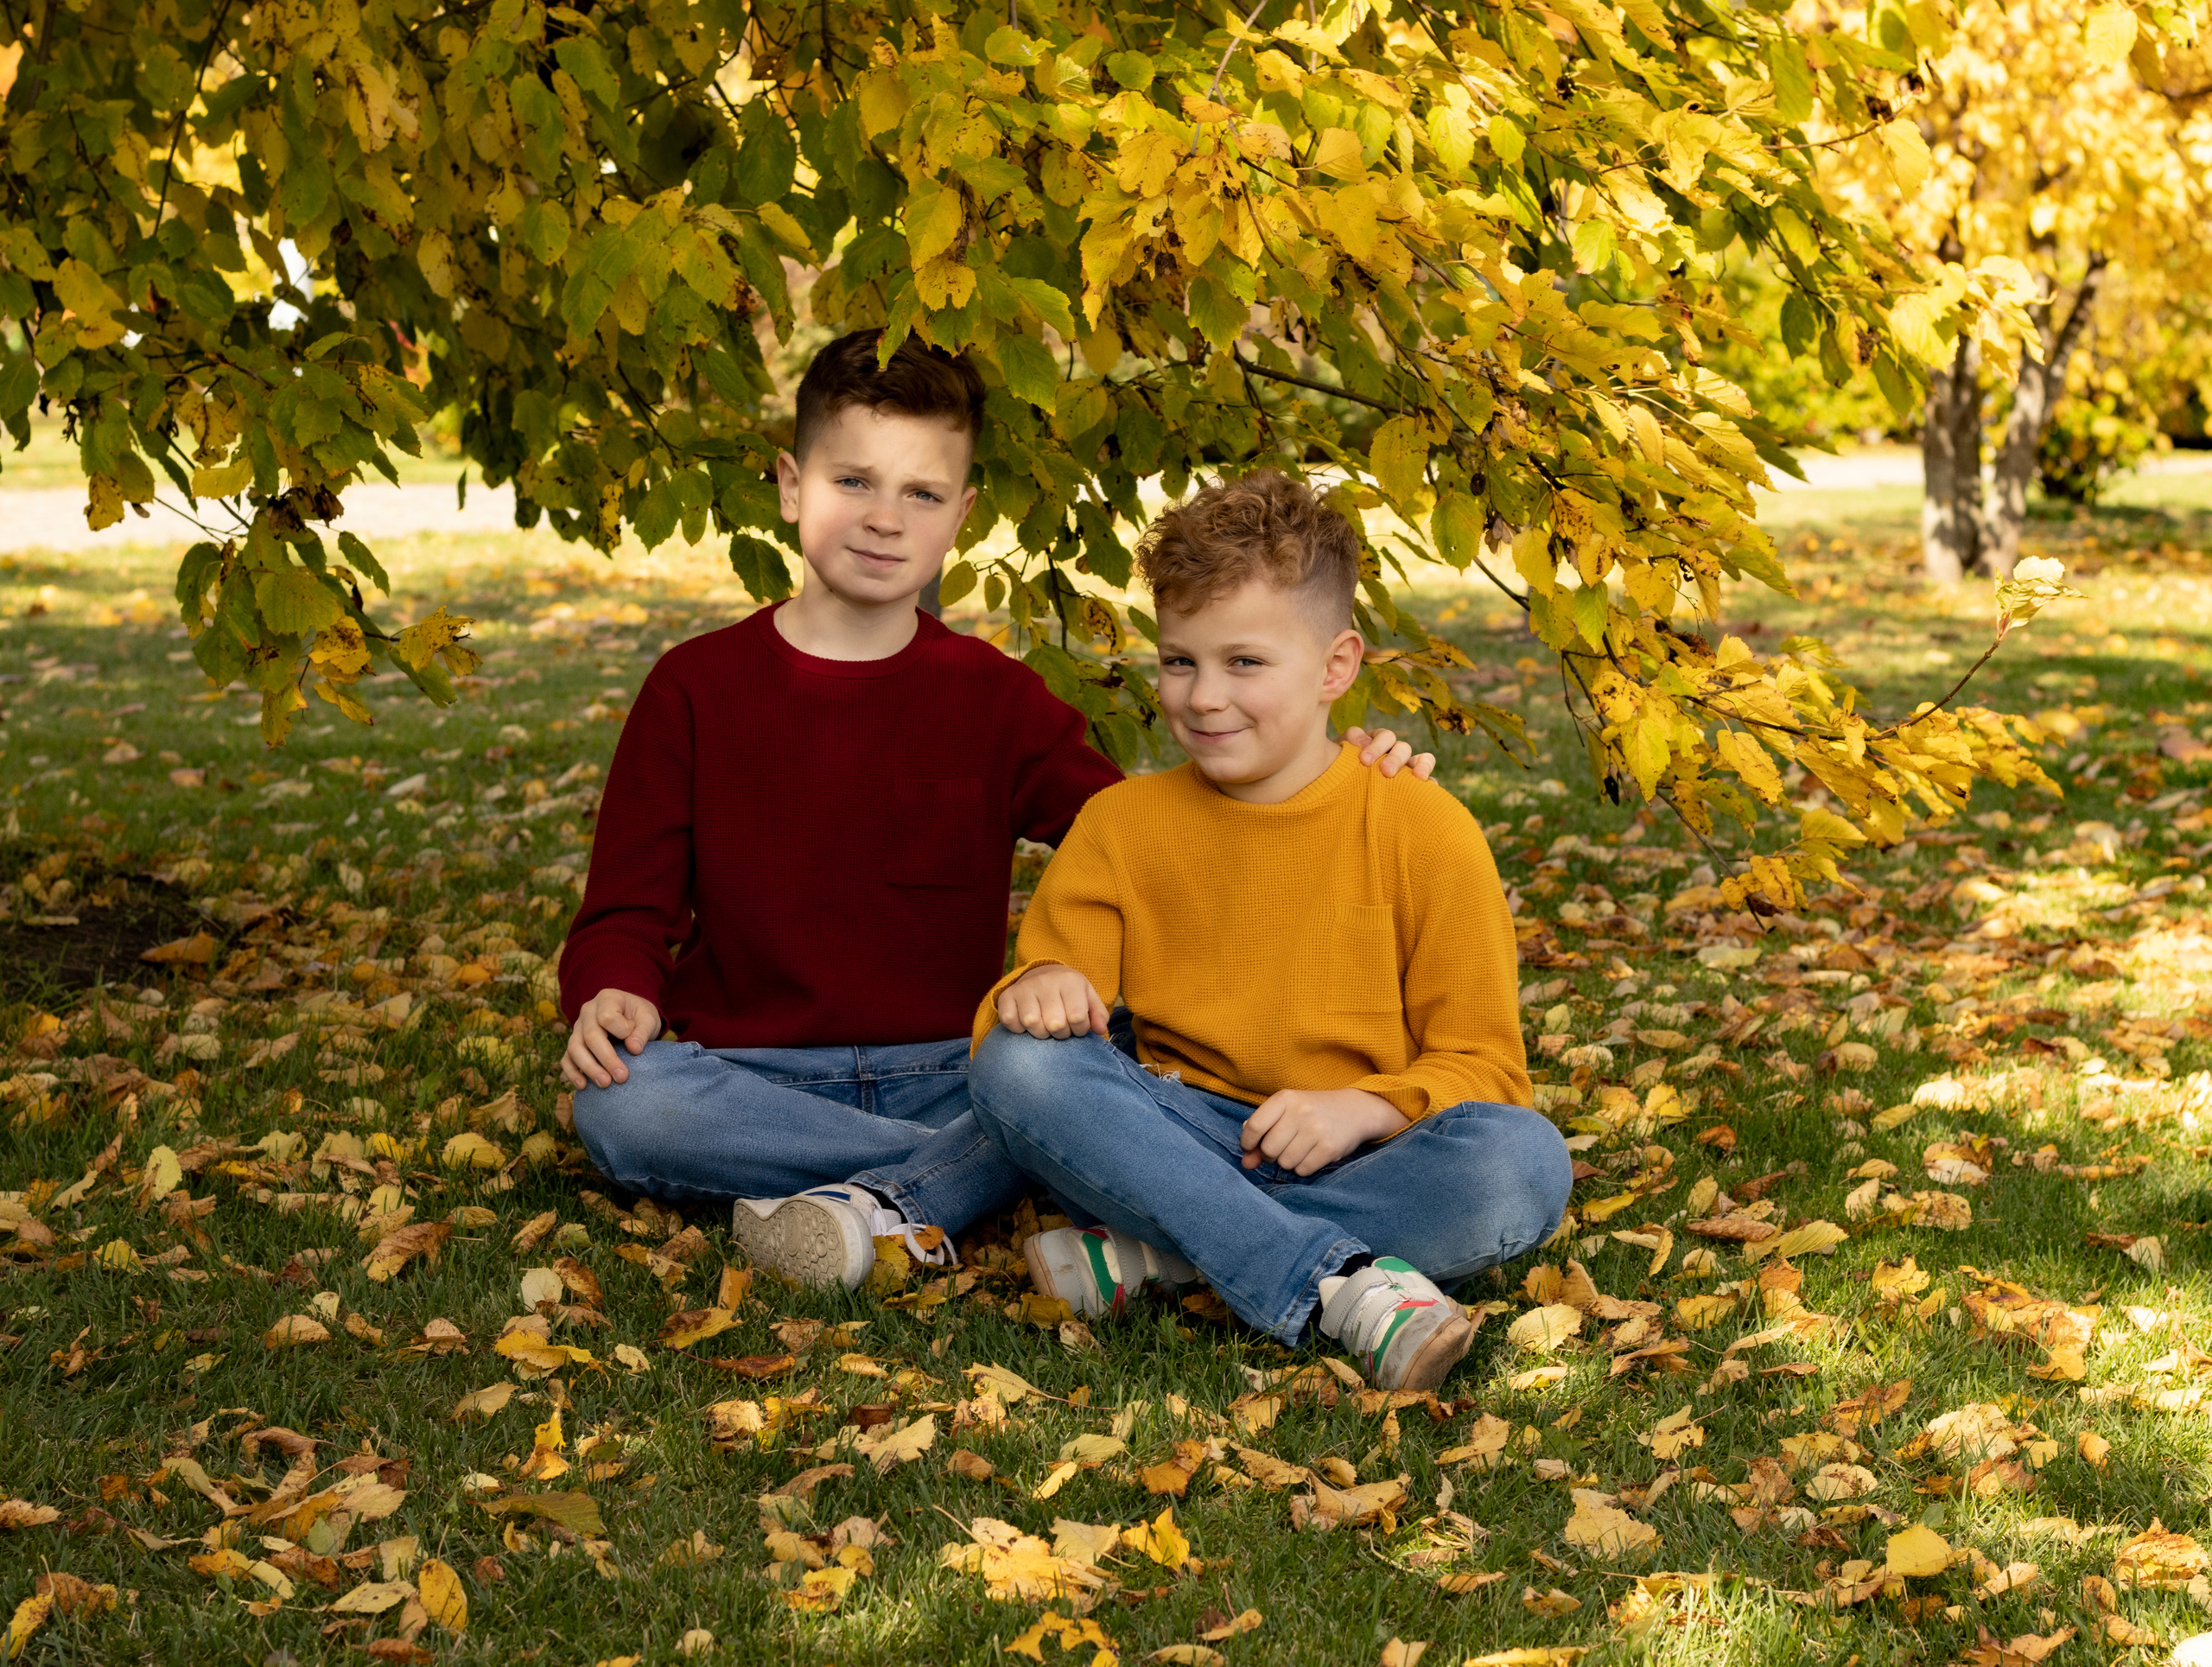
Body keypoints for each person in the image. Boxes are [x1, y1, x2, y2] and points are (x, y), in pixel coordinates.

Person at [556, 331, 1433, 1290]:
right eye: (854, 481)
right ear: (790, 486)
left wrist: (1328, 772)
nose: (886, 518)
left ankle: (918, 1189)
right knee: (621, 1104)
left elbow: (1151, 839)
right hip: (750, 1078)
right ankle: (987, 1175)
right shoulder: (694, 689)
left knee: (1097, 1055)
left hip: (959, 1070)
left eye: (922, 494)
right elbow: (626, 912)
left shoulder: (992, 696)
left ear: (962, 515)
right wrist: (613, 987)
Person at [965, 469, 1572, 1390]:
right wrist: (1043, 984)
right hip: (1177, 1130)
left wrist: (1361, 1108)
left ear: (1336, 666)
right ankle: (1332, 1277)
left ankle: (1162, 1258)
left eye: (1244, 663)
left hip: (1369, 1149)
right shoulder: (1122, 825)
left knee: (1523, 1161)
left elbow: (1487, 1072)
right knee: (1019, 1062)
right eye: (1179, 661)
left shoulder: (1423, 828)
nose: (1203, 697)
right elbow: (1042, 1020)